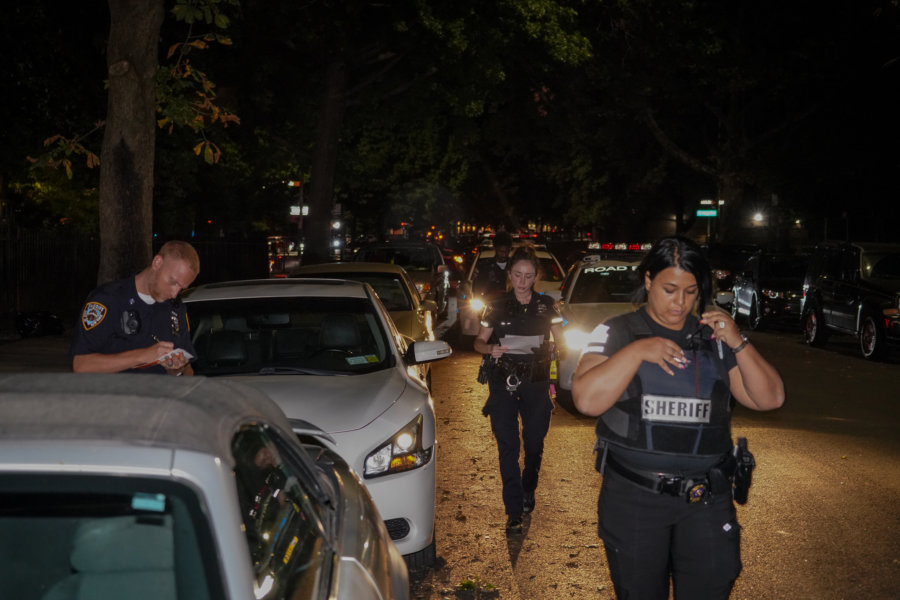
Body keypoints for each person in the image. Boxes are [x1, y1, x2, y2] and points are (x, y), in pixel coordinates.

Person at [571, 235, 784, 599]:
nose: (680, 302)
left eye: (690, 291)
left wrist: (737, 341)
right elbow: (586, 400)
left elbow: (769, 399)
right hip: (635, 497)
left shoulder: (713, 338)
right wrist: (638, 351)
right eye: (669, 290)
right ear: (648, 280)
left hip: (705, 499)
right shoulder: (616, 331)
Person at [473, 245, 564, 536]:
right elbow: (479, 342)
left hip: (537, 381)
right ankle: (513, 510)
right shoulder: (496, 305)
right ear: (510, 275)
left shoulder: (547, 305)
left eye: (528, 275)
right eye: (517, 275)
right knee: (508, 445)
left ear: (536, 276)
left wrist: (555, 348)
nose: (522, 281)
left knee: (534, 442)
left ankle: (528, 487)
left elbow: (561, 338)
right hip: (504, 380)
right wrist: (490, 349)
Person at [70, 240, 200, 375]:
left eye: (181, 288)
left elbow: (187, 368)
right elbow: (81, 365)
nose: (174, 293)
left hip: (160, 389)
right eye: (173, 282)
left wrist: (176, 368)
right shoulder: (108, 299)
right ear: (157, 263)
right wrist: (142, 356)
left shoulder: (175, 308)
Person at [472, 230, 513, 300]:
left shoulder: (514, 266)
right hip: (489, 303)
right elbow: (477, 288)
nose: (504, 255)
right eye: (501, 251)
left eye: (506, 252)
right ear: (495, 249)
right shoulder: (484, 267)